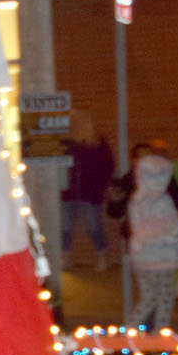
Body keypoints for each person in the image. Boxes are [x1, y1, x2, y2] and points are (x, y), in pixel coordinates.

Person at [127, 155, 178, 331]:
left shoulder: (137, 199)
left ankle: (127, 333)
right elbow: (172, 228)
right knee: (165, 299)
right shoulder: (162, 200)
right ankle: (159, 337)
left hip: (141, 256)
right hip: (161, 259)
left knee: (149, 298)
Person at [60, 111, 114, 271]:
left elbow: (108, 165)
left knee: (94, 225)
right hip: (68, 192)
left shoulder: (97, 143)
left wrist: (100, 184)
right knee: (65, 226)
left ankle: (102, 257)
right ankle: (65, 258)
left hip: (90, 192)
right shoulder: (66, 143)